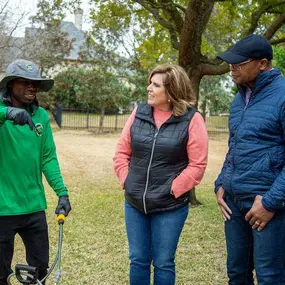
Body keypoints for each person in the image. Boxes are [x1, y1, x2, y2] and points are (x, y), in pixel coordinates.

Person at [113, 64, 208, 285]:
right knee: (138, 259)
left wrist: (171, 189)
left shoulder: (192, 120)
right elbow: (121, 152)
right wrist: (127, 180)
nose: (149, 88)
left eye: (155, 85)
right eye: (150, 82)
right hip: (135, 202)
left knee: (164, 262)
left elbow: (197, 165)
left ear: (172, 90)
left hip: (170, 206)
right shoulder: (139, 112)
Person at [215, 34, 285, 285]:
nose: (231, 68)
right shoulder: (238, 98)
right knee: (237, 273)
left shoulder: (282, 96)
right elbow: (234, 146)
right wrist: (221, 183)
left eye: (239, 63)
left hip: (267, 206)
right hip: (234, 204)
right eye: (230, 63)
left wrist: (270, 202)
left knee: (270, 277)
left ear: (263, 64)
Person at [0, 59, 71, 285]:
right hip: (3, 208)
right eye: (26, 82)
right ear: (11, 84)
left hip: (34, 207)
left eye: (36, 83)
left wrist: (62, 193)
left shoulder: (40, 116)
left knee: (39, 271)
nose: (33, 87)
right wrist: (6, 114)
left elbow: (48, 158)